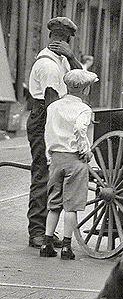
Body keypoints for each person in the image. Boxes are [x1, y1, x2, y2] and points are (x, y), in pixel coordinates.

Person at [27, 17, 82, 248]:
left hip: (55, 114)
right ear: (64, 39)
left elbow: (80, 81)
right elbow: (51, 106)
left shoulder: (62, 60)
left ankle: (44, 229)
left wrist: (71, 56)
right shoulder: (49, 65)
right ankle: (37, 232)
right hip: (45, 117)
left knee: (51, 176)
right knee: (43, 175)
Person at [40, 69, 98, 261]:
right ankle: (66, 247)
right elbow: (81, 128)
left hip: (56, 158)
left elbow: (47, 132)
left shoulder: (53, 107)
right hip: (75, 159)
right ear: (86, 89)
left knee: (54, 204)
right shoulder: (84, 109)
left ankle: (46, 244)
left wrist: (50, 154)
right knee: (71, 206)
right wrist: (85, 149)